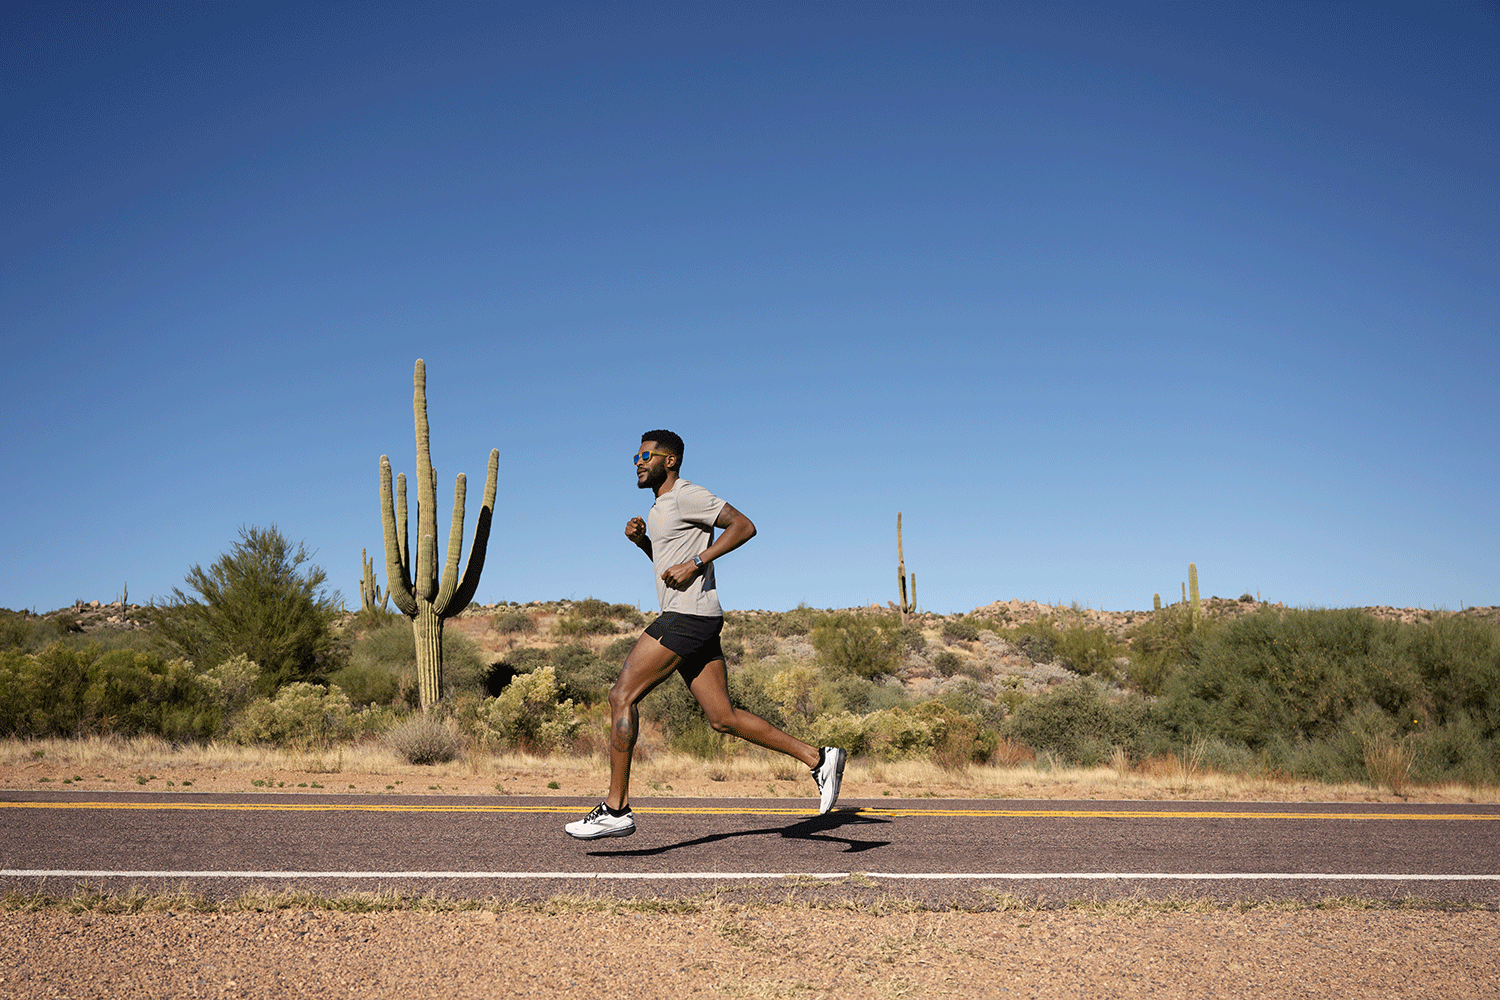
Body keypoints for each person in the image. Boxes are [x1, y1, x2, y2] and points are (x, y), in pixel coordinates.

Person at [565, 430, 847, 839]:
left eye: (646, 455)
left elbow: (744, 526)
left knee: (621, 695)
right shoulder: (662, 507)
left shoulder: (687, 495)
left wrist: (697, 562)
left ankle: (616, 807)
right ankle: (818, 758)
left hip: (686, 617)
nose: (639, 462)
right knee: (723, 718)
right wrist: (645, 543)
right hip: (696, 616)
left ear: (670, 460)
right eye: (635, 457)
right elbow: (669, 565)